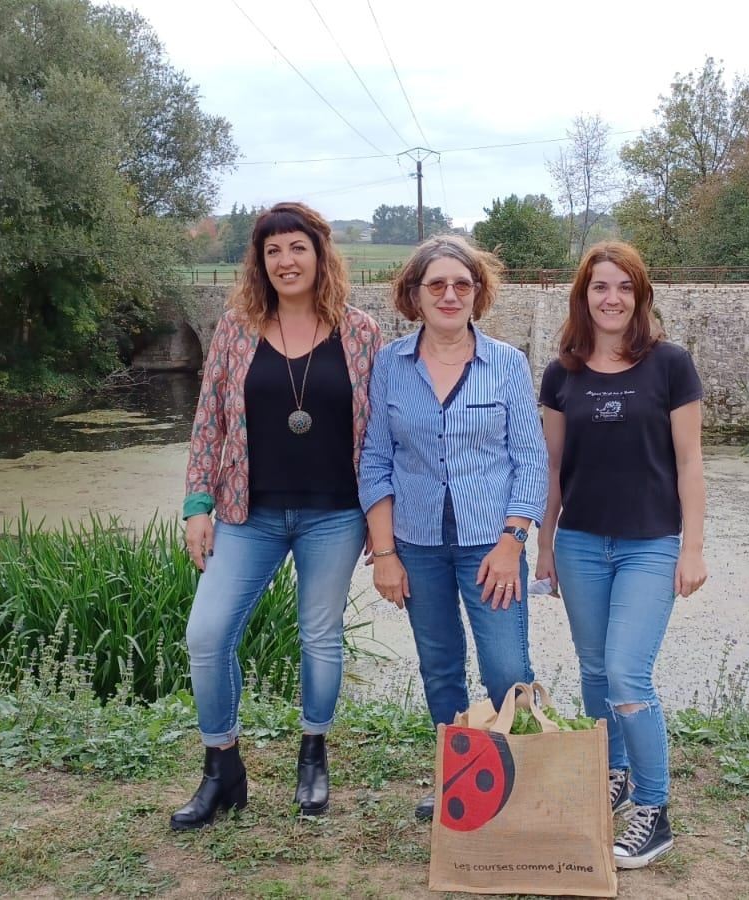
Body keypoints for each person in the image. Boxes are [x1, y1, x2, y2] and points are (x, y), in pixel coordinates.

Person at [170, 202, 381, 829]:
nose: (286, 261)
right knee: (207, 635)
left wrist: (383, 518)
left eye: (297, 248)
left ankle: (313, 755)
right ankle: (221, 767)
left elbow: (382, 434)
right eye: (272, 251)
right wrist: (198, 504)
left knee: (319, 635)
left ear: (320, 255)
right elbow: (208, 421)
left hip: (335, 514)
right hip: (246, 512)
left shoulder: (361, 332)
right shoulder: (235, 330)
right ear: (260, 262)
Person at [359, 235, 548, 820]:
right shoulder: (390, 365)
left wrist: (513, 541)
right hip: (416, 544)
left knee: (507, 669)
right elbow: (375, 460)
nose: (449, 295)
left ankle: (526, 785)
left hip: (491, 545)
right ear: (414, 294)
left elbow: (530, 460)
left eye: (461, 284)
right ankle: (459, 782)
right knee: (439, 667)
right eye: (436, 284)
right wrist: (384, 552)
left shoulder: (507, 364)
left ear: (477, 293)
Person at [536, 241, 707, 869]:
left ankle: (654, 810)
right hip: (580, 542)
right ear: (583, 296)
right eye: (600, 287)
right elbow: (553, 467)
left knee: (628, 673)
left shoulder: (670, 365)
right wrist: (544, 544)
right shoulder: (561, 374)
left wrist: (693, 548)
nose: (612, 299)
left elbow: (689, 463)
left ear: (640, 296)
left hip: (650, 545)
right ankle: (614, 771)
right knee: (593, 670)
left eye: (625, 288)